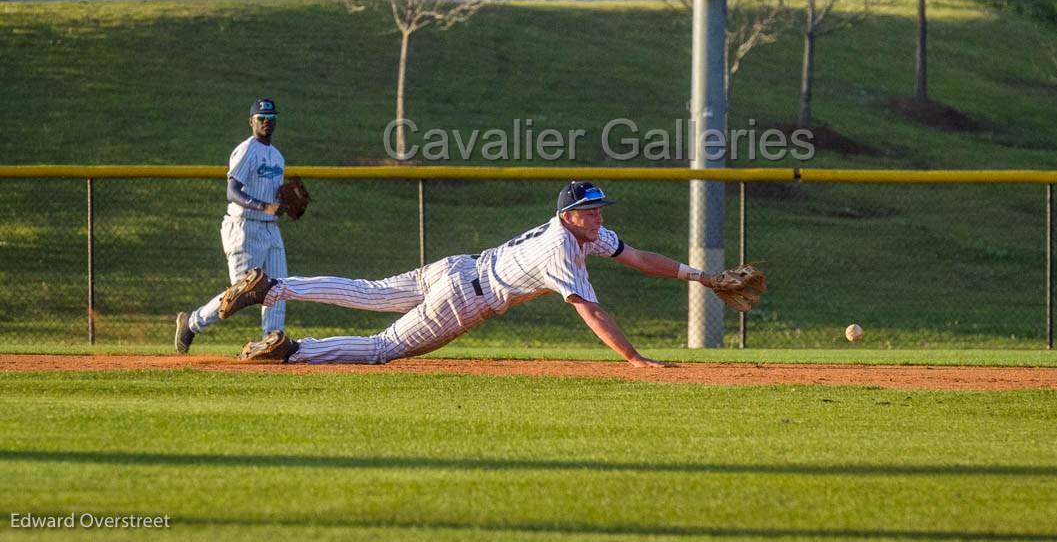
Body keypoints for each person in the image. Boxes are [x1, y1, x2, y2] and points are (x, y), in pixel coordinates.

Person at [220, 181, 721, 367]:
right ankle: (293, 350)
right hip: (465, 298)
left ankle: (273, 287)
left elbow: (637, 257)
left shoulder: (586, 234)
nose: (599, 217)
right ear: (568, 215)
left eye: (599, 210)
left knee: (364, 291)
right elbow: (591, 309)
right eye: (590, 211)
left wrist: (700, 277)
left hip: (458, 267)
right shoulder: (562, 249)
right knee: (381, 349)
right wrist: (633, 358)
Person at [174, 98, 290, 353]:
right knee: (243, 290)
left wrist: (284, 204)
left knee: (279, 288)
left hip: (271, 230)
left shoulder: (278, 157)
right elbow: (232, 191)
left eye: (271, 119)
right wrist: (262, 206)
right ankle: (192, 323)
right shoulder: (247, 149)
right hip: (245, 227)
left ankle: (269, 343)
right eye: (261, 119)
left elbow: (273, 197)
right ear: (251, 122)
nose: (267, 123)